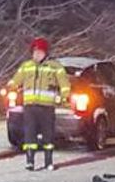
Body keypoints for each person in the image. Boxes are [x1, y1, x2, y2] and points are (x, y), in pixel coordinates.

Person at [7, 37, 70, 171]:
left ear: (46, 53)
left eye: (40, 52)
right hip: (30, 106)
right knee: (30, 134)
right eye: (35, 52)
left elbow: (64, 83)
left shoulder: (55, 67)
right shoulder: (26, 66)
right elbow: (16, 79)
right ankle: (30, 161)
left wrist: (64, 96)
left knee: (48, 134)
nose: (37, 54)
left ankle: (48, 161)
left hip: (47, 107)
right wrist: (11, 86)